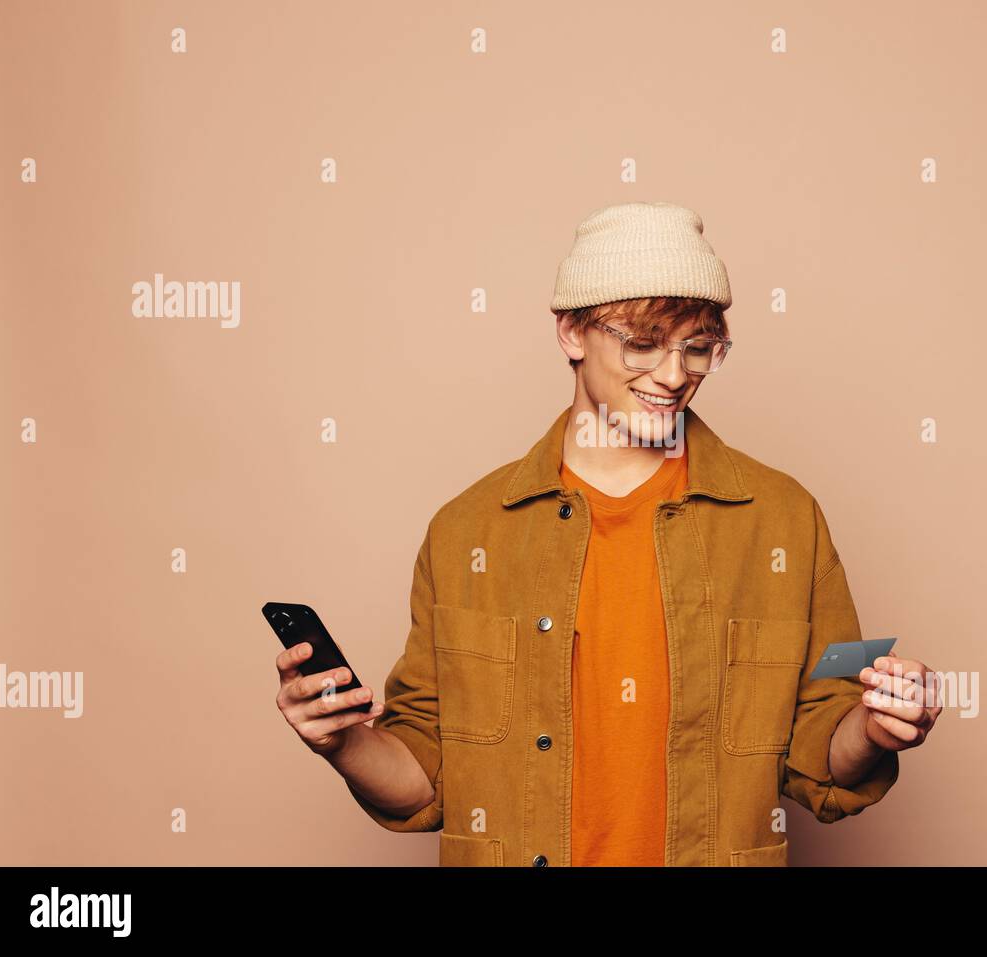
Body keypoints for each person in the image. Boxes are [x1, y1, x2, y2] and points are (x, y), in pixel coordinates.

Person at [274, 201, 941, 866]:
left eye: (698, 347)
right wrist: (343, 741)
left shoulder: (787, 519)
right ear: (571, 332)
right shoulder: (465, 532)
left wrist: (876, 726)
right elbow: (424, 774)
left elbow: (826, 746)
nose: (675, 375)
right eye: (643, 342)